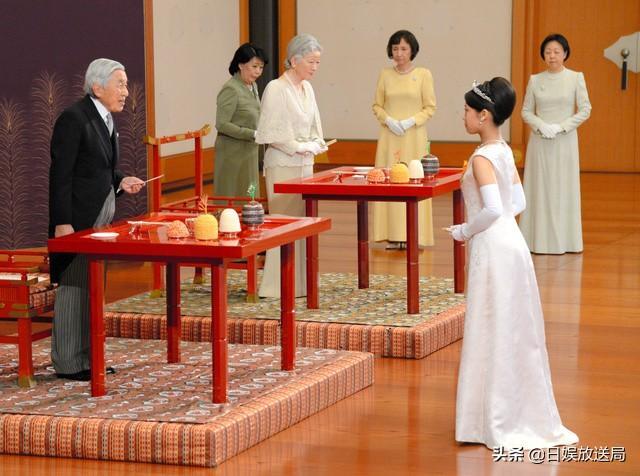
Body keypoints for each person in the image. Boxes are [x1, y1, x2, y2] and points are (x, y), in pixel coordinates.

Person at [448, 77, 578, 449]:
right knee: (513, 329)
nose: (463, 115)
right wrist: (496, 220)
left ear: (484, 116)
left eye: (467, 110)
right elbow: (516, 204)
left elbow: (491, 209)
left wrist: (464, 230)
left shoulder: (482, 158)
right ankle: (509, 412)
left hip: (493, 247)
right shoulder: (503, 151)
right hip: (513, 243)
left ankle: (491, 420)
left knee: (491, 327)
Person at [49, 58, 145, 381]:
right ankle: (68, 363)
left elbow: (98, 169)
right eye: (120, 85)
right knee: (74, 289)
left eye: (126, 84)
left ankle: (88, 358)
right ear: (97, 87)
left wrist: (120, 181)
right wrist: (63, 222)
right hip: (76, 221)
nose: (126, 91)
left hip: (98, 222)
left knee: (91, 289)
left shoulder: (105, 118)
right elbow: (61, 176)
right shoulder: (74, 118)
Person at [255, 33, 326, 298]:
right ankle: (276, 286)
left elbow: (314, 125)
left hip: (304, 164)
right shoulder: (276, 88)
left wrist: (315, 143)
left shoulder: (308, 88)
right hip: (283, 165)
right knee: (284, 224)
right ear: (294, 60)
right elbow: (271, 133)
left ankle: (301, 284)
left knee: (303, 223)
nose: (315, 67)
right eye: (311, 62)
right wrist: (297, 146)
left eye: (318, 62)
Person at [519, 33, 591, 254]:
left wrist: (561, 127)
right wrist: (541, 125)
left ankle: (566, 241)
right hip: (540, 141)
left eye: (556, 51)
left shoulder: (575, 78)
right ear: (543, 55)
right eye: (548, 52)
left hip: (565, 141)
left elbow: (585, 109)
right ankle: (536, 241)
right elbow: (526, 111)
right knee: (540, 187)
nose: (552, 55)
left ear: (565, 54)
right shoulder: (535, 80)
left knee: (562, 187)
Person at [372, 30, 437, 250]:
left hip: (414, 136)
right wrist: (388, 120)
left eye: (403, 48)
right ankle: (391, 234)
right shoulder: (385, 74)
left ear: (412, 50)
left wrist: (410, 121)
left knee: (414, 179)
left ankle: (414, 235)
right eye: (395, 48)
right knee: (390, 180)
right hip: (390, 136)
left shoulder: (424, 74)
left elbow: (430, 107)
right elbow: (377, 105)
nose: (399, 53)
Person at [214, 43, 268, 197]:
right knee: (232, 194)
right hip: (232, 153)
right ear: (241, 65)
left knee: (250, 193)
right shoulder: (231, 88)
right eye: (254, 66)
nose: (258, 71)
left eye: (261, 67)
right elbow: (222, 124)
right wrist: (252, 133)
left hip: (249, 151)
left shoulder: (253, 86)